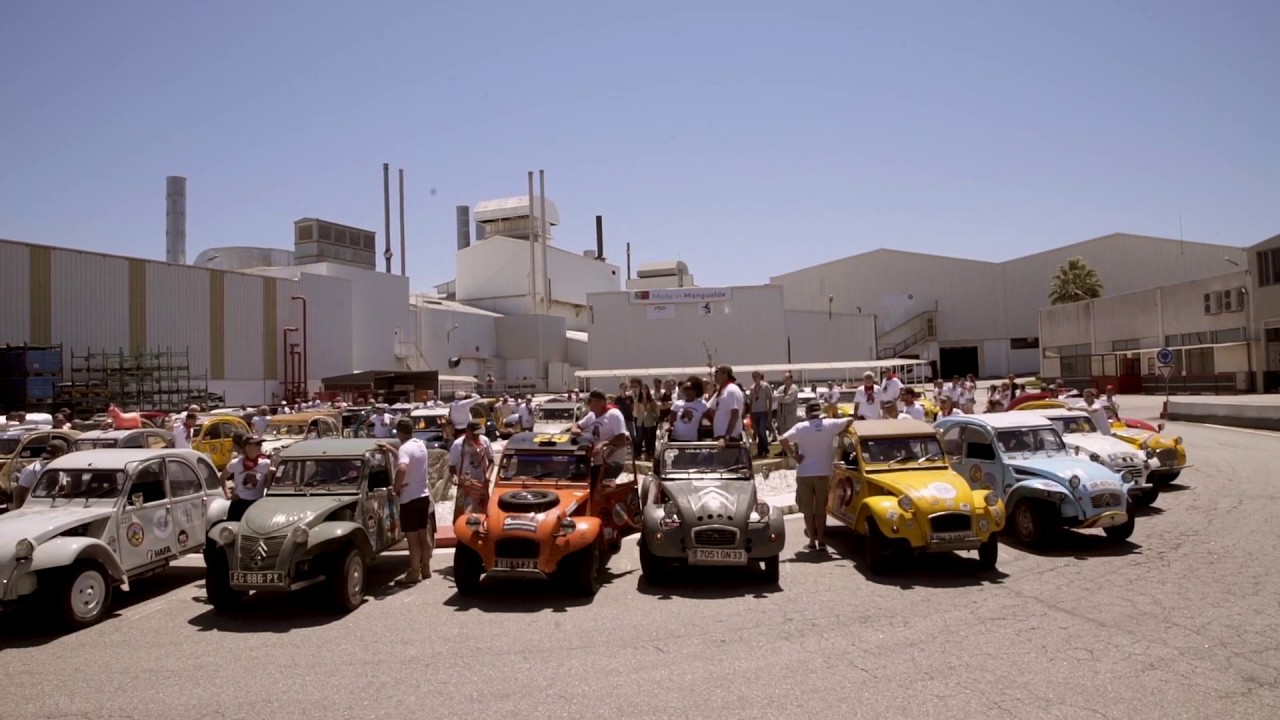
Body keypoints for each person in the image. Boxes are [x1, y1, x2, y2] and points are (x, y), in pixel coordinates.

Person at [780, 402, 854, 552]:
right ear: (820, 412)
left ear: (807, 413)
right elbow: (850, 420)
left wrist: (794, 455)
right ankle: (821, 540)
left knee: (808, 510)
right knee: (821, 508)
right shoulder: (829, 424)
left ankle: (812, 541)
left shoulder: (801, 427)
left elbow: (782, 439)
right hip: (823, 472)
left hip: (805, 472)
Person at [388, 417, 434, 584]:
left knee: (412, 538)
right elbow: (408, 459)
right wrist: (391, 449)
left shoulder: (405, 448)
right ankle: (426, 568)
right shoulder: (420, 445)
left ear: (399, 432)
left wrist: (396, 487)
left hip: (409, 498)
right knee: (423, 532)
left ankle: (414, 572)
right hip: (423, 495)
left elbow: (402, 467)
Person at [570, 389, 630, 480]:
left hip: (612, 461)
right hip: (597, 461)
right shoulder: (592, 415)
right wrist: (574, 429)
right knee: (577, 476)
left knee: (596, 483)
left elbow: (622, 439)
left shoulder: (614, 415)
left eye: (590, 401)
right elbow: (577, 425)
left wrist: (603, 444)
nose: (587, 404)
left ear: (600, 403)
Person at [449, 421, 494, 521]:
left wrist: (488, 476)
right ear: (467, 431)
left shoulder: (485, 441)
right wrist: (454, 476)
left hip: (481, 484)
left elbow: (491, 461)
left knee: (483, 514)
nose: (476, 436)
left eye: (478, 434)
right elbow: (451, 465)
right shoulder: (458, 444)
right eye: (474, 434)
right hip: (465, 484)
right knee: (464, 514)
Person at [220, 436, 272, 521]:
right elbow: (222, 477)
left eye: (261, 444)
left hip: (256, 504)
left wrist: (271, 475)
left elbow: (269, 485)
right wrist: (228, 494)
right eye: (257, 444)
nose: (261, 446)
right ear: (247, 447)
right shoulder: (235, 463)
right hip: (239, 504)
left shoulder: (266, 464)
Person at [11, 438, 69, 509]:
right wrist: (20, 511)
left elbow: (61, 490)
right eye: (64, 453)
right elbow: (18, 495)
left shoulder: (60, 468)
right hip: (33, 508)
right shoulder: (32, 470)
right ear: (59, 453)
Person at [705, 365, 745, 442]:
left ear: (725, 373)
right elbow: (709, 408)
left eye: (717, 372)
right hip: (719, 436)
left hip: (730, 437)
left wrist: (726, 436)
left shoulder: (732, 390)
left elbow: (735, 414)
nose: (714, 375)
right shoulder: (721, 391)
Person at [669, 376, 708, 442]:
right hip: (676, 439)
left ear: (696, 390)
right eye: (685, 389)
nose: (686, 392)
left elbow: (710, 418)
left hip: (692, 440)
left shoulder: (702, 404)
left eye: (689, 389)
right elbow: (671, 421)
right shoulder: (677, 404)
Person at [748, 371, 774, 459]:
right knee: (758, 432)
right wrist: (750, 413)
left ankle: (766, 450)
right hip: (754, 412)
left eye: (756, 376)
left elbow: (770, 398)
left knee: (762, 431)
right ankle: (760, 451)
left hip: (763, 411)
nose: (755, 378)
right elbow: (751, 401)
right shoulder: (752, 388)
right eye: (753, 376)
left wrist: (769, 409)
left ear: (760, 376)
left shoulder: (765, 386)